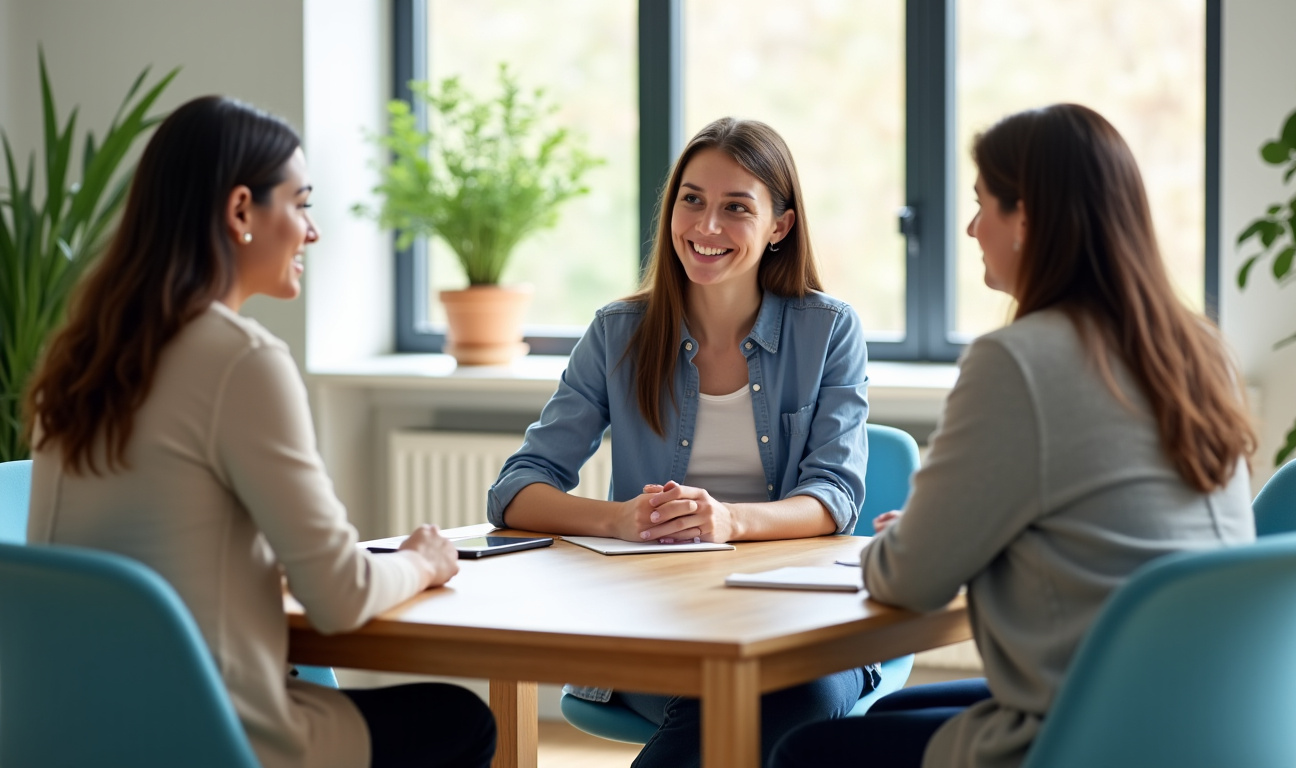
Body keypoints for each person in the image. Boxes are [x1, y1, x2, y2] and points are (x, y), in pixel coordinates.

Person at [768, 103, 1258, 768]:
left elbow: (908, 581)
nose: (972, 228)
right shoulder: (1197, 348)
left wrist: (915, 544)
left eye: (981, 204)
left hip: (1093, 737)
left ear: (1024, 219)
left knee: (807, 753)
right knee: (887, 715)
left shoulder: (1017, 361)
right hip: (1208, 715)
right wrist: (959, 538)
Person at [24, 96, 496, 768]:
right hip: (210, 737)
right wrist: (423, 560)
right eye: (301, 204)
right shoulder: (241, 360)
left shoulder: (81, 356)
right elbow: (338, 597)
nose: (313, 232)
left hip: (71, 734)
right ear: (241, 211)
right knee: (462, 722)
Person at [487, 117, 874, 767]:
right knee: (741, 706)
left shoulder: (829, 330)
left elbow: (834, 496)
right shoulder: (619, 333)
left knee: (788, 694)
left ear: (780, 226)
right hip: (655, 622)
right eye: (691, 200)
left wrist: (728, 521)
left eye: (736, 208)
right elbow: (516, 490)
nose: (706, 226)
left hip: (796, 624)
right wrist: (620, 519)